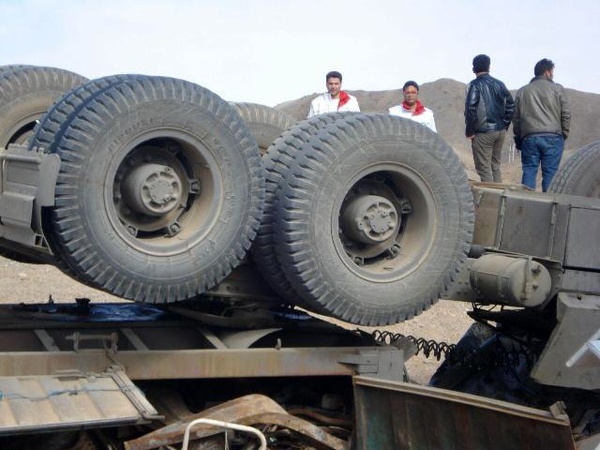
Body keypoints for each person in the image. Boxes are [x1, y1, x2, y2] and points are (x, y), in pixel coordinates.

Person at [513, 58, 571, 192]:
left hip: (529, 137)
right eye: (552, 71)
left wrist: (519, 137)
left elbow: (516, 118)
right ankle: (548, 209)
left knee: (529, 171)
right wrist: (564, 133)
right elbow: (566, 114)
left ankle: (524, 205)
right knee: (550, 174)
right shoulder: (557, 89)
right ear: (547, 72)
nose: (552, 74)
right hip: (553, 137)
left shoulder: (523, 91)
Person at [464, 54, 515, 183]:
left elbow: (471, 108)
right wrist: (504, 124)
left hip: (483, 132)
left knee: (484, 169)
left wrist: (470, 131)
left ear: (473, 68)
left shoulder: (474, 85)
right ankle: (500, 200)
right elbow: (511, 105)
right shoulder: (500, 84)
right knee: (495, 166)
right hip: (500, 131)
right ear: (489, 67)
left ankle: (491, 201)